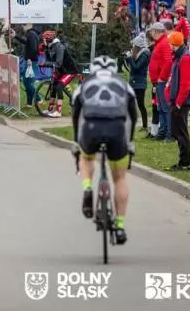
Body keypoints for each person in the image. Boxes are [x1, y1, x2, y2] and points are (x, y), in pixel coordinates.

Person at [71, 55, 136, 244]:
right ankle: (120, 227)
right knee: (120, 179)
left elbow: (76, 115)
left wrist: (76, 141)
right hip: (117, 130)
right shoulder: (125, 85)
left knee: (86, 158)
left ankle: (87, 188)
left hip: (91, 128)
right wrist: (130, 141)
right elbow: (133, 116)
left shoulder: (84, 85)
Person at [165, 31, 190, 171]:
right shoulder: (179, 56)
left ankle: (185, 163)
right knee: (178, 131)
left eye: (170, 43)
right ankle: (183, 161)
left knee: (181, 132)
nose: (169, 45)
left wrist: (178, 103)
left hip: (181, 102)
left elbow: (186, 84)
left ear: (174, 44)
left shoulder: (185, 58)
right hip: (177, 101)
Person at [42, 30, 80, 118]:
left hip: (69, 71)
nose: (43, 41)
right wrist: (46, 50)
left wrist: (45, 64)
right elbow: (49, 60)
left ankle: (58, 111)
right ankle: (50, 109)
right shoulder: (50, 47)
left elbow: (58, 63)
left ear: (49, 39)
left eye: (44, 39)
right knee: (53, 87)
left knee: (59, 86)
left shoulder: (59, 47)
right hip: (60, 70)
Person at [148, 21, 173, 141]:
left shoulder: (163, 43)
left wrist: (161, 77)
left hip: (162, 80)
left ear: (156, 31)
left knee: (165, 107)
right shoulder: (159, 43)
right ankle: (162, 131)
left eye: (152, 31)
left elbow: (168, 61)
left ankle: (169, 133)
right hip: (158, 81)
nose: (151, 34)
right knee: (160, 107)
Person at [127, 34, 150, 132]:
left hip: (140, 83)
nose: (133, 47)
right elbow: (132, 67)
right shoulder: (137, 54)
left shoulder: (145, 54)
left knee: (141, 104)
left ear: (138, 45)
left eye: (134, 45)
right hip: (133, 82)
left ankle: (145, 125)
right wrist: (128, 59)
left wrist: (130, 58)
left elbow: (136, 68)